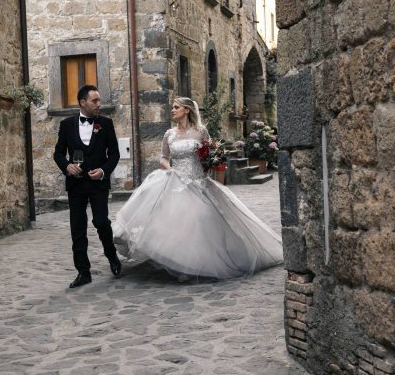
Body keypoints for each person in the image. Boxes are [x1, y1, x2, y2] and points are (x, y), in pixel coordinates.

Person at [112, 97, 283, 280]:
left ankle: (195, 264)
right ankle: (178, 261)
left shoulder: (201, 132)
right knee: (175, 222)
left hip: (198, 182)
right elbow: (163, 158)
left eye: (176, 107)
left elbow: (212, 155)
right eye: (172, 107)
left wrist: (210, 166)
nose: (172, 110)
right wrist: (169, 169)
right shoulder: (169, 134)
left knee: (198, 222)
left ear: (187, 110)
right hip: (175, 182)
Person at [53, 85, 121, 288]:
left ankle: (112, 256)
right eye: (95, 101)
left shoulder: (106, 123)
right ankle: (83, 272)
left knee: (101, 222)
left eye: (99, 100)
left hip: (98, 183)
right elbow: (58, 153)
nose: (99, 104)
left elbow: (114, 154)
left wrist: (104, 171)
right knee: (78, 227)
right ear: (83, 102)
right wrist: (67, 166)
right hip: (76, 184)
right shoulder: (66, 124)